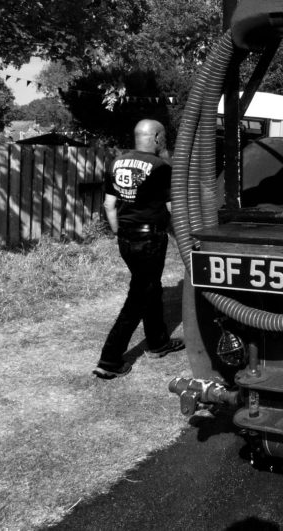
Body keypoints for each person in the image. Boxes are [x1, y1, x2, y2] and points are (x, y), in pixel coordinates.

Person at [93, 119, 184, 379]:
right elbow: (172, 207)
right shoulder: (161, 167)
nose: (164, 140)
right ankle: (109, 360)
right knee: (139, 297)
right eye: (163, 137)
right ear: (156, 137)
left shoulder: (116, 162)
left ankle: (158, 343)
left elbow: (109, 205)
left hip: (126, 238)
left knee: (151, 288)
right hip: (150, 240)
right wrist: (183, 238)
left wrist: (119, 232)